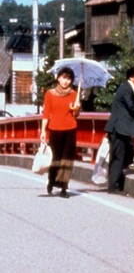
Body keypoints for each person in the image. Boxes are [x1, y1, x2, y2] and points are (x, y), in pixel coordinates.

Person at [41, 67, 81, 198]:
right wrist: (43, 130)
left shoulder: (74, 94)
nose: (66, 81)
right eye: (63, 77)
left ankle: (64, 187)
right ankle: (51, 181)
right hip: (54, 129)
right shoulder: (50, 93)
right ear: (58, 78)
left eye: (69, 78)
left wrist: (77, 108)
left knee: (67, 159)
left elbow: (76, 115)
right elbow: (46, 113)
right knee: (55, 158)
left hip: (70, 129)